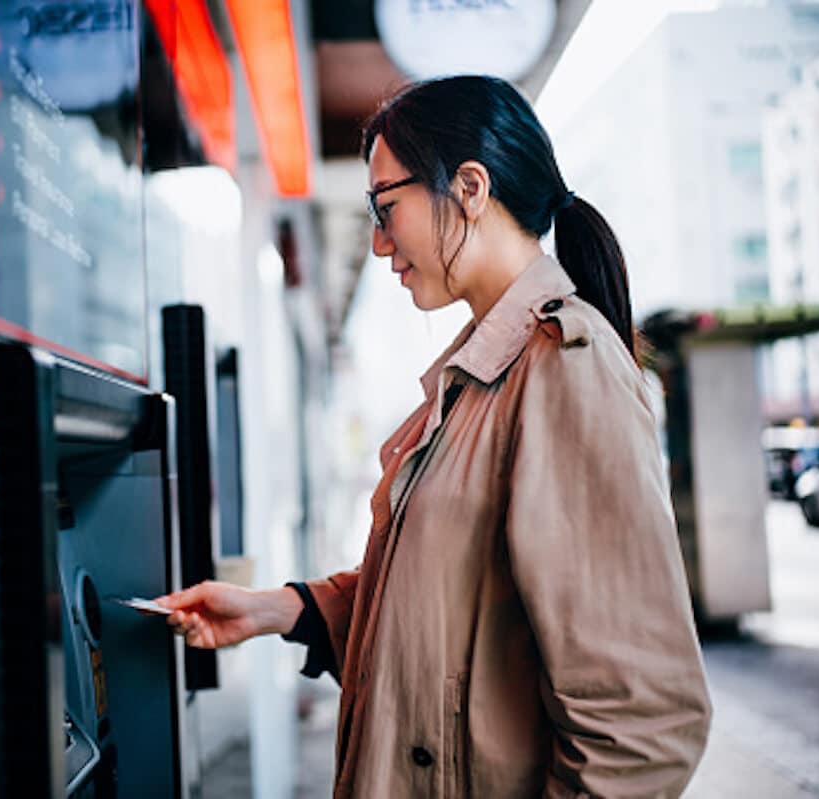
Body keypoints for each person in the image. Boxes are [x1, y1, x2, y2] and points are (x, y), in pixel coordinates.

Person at [157, 76, 712, 797]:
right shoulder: (484, 373)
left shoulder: (566, 368)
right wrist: (280, 609)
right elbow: (443, 606)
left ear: (471, 187)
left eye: (387, 208)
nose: (382, 242)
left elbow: (643, 724)